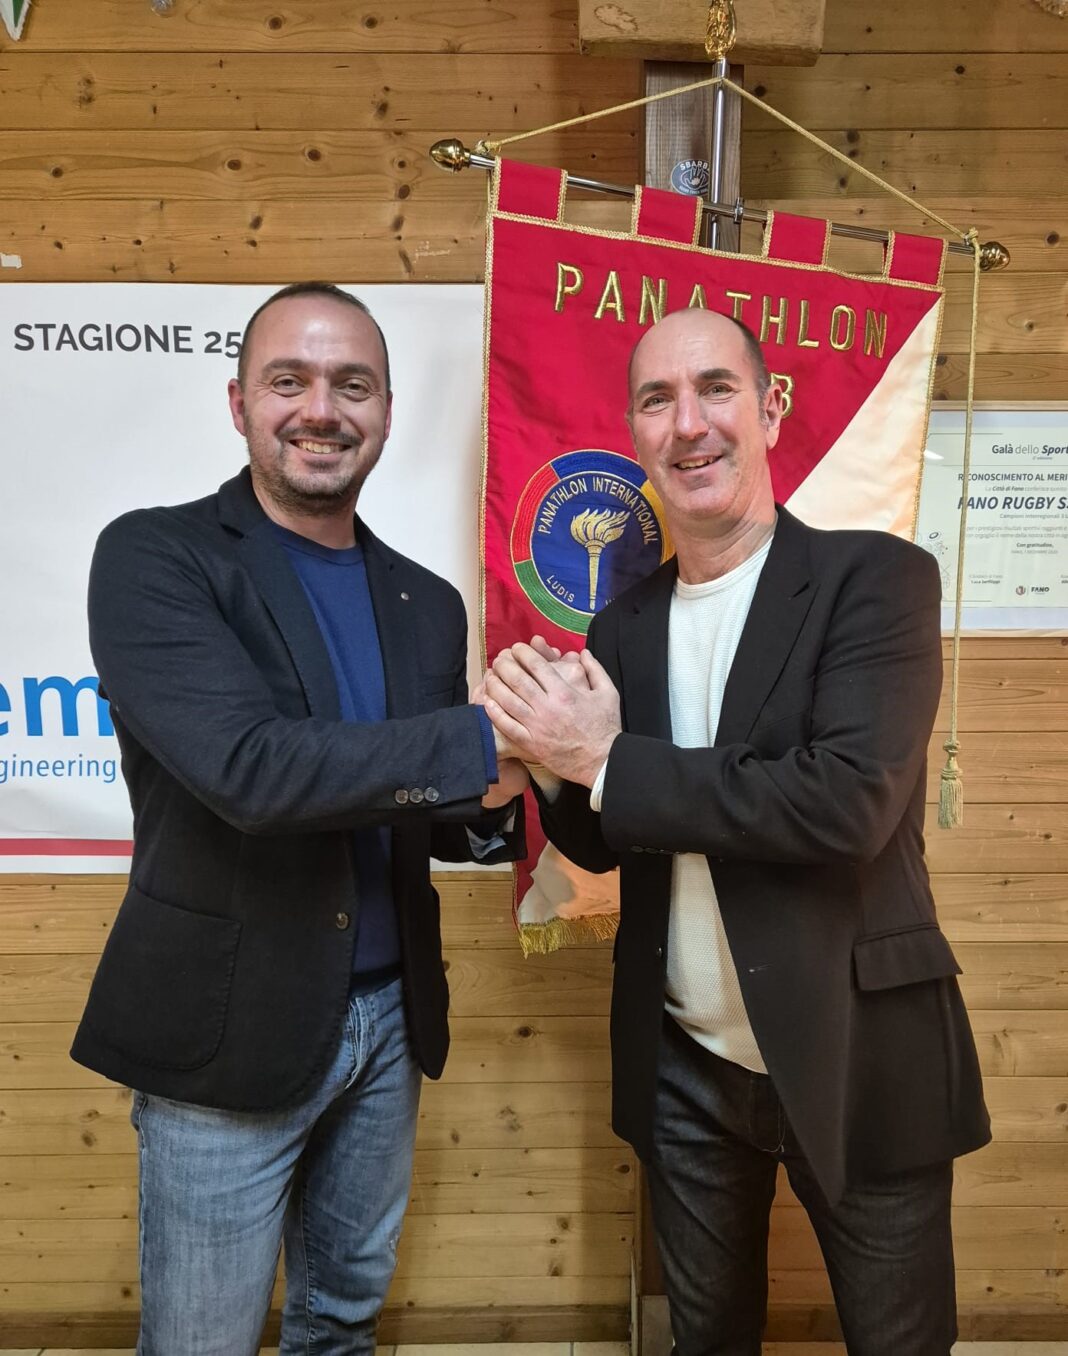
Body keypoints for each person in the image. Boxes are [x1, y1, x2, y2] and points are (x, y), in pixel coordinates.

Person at [482, 308, 990, 1355]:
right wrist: (543, 758)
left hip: (859, 1052)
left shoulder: (877, 580)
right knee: (705, 1341)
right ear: (636, 435)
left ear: (770, 409)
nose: (689, 423)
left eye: (716, 388)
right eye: (657, 400)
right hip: (685, 1064)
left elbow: (846, 804)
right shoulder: (623, 625)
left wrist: (604, 759)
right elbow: (613, 837)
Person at [71, 282, 526, 1356]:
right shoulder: (156, 559)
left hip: (391, 1021)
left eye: (352, 385)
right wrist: (485, 746)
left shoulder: (426, 601)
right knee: (202, 1341)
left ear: (386, 412)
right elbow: (251, 773)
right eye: (290, 381)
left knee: (343, 1322)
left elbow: (421, 806)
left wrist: (521, 790)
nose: (321, 409)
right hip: (229, 1023)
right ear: (240, 404)